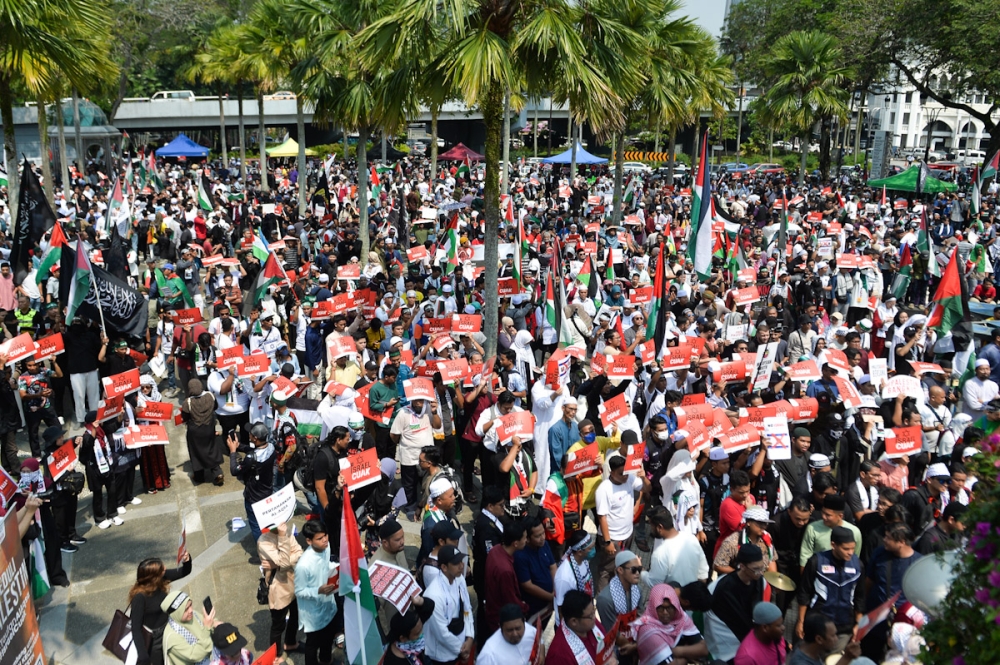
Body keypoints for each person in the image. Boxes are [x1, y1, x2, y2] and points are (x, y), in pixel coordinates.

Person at [861, 523, 922, 660]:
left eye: (888, 538)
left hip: (902, 627)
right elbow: (868, 583)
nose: (884, 540)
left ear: (901, 542)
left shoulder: (918, 563)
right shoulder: (879, 554)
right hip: (876, 622)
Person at [797, 526, 864, 649]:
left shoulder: (858, 565)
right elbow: (804, 593)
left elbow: (860, 596)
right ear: (833, 545)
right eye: (846, 549)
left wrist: (858, 623)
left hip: (844, 626)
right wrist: (801, 621)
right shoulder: (816, 561)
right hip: (817, 624)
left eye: (853, 548)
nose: (850, 552)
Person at [704, 544, 770, 661]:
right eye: (756, 569)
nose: (760, 573)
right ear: (742, 566)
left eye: (762, 567)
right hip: (726, 639)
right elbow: (738, 621)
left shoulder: (758, 581)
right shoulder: (725, 588)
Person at [594, 454, 650, 590]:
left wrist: (643, 477)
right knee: (607, 570)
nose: (625, 476)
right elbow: (602, 517)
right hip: (613, 539)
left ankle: (618, 590)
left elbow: (647, 489)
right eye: (621, 473)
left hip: (628, 535)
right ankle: (603, 599)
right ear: (612, 472)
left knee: (621, 566)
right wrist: (608, 542)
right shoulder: (604, 489)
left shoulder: (630, 478)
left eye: (626, 472)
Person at [128, 554, 193, 665]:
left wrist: (187, 560)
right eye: (162, 569)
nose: (165, 569)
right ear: (154, 576)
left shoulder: (161, 578)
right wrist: (143, 655)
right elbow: (136, 628)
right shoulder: (139, 597)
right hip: (154, 639)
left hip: (169, 629)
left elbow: (184, 571)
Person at [257, 521, 303, 664]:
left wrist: (275, 564)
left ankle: (290, 642)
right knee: (278, 625)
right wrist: (283, 537)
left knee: (296, 615)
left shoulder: (287, 531)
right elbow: (285, 563)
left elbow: (300, 552)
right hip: (278, 589)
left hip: (293, 583)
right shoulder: (263, 542)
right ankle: (275, 655)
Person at [294, 520, 339, 665]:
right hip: (312, 612)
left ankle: (326, 660)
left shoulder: (326, 547)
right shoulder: (303, 565)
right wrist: (317, 590)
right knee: (312, 644)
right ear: (308, 541)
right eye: (320, 538)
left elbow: (326, 566)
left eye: (325, 536)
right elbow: (299, 591)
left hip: (328, 603)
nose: (325, 540)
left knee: (328, 637)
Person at [423, 545, 475, 665]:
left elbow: (467, 609)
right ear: (444, 567)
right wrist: (461, 650)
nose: (461, 566)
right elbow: (441, 633)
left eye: (461, 561)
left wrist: (470, 636)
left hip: (462, 642)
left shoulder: (459, 579)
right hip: (442, 655)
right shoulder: (433, 595)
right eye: (456, 563)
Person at [632, 583, 708, 665]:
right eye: (660, 608)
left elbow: (703, 649)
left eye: (669, 607)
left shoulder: (680, 617)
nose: (665, 612)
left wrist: (675, 651)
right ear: (653, 607)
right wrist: (689, 654)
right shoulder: (648, 630)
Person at [227, 423, 276, 543]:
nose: (249, 434)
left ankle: (263, 551)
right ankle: (273, 542)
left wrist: (233, 452)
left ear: (255, 438)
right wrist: (239, 446)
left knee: (255, 525)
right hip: (267, 492)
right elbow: (253, 450)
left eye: (251, 433)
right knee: (268, 522)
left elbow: (234, 470)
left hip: (253, 496)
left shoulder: (250, 458)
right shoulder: (271, 447)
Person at [644, 506, 709, 587]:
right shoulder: (691, 538)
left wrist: (642, 572)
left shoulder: (660, 553)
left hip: (673, 598)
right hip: (693, 595)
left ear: (659, 527)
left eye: (651, 526)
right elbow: (703, 573)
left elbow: (654, 584)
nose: (651, 529)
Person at [484, 521, 529, 634]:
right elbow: (510, 599)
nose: (526, 541)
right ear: (515, 543)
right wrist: (525, 607)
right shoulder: (505, 570)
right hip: (499, 618)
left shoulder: (495, 550)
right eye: (524, 538)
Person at [545, 590, 612, 665]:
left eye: (593, 611)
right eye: (590, 615)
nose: (594, 617)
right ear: (574, 621)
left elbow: (607, 645)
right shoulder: (559, 655)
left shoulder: (590, 623)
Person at [179, 379, 224, 486]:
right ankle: (217, 473)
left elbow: (185, 417)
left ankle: (199, 476)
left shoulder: (188, 402)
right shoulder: (210, 396)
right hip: (209, 427)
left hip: (195, 431)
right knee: (212, 448)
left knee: (196, 452)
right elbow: (216, 407)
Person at [514, 516, 558, 620]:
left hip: (550, 602)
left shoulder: (544, 544)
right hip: (534, 607)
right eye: (538, 536)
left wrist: (555, 590)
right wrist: (551, 597)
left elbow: (552, 566)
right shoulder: (520, 556)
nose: (543, 537)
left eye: (543, 533)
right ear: (527, 539)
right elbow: (527, 585)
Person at [799, 495, 862, 568]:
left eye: (828, 515)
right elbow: (805, 558)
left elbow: (855, 557)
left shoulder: (854, 532)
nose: (823, 517)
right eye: (823, 513)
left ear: (840, 516)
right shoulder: (812, 528)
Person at [160, 590, 219, 665]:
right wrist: (207, 628)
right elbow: (196, 655)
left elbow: (208, 623)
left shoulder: (192, 615)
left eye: (190, 605)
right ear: (176, 613)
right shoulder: (172, 637)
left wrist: (216, 624)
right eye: (186, 609)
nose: (191, 610)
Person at [788, 613, 861, 665]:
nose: (836, 639)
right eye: (833, 636)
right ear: (819, 639)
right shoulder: (800, 662)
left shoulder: (808, 648)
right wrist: (846, 658)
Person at [383, 600, 437, 665]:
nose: (422, 634)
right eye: (417, 634)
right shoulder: (393, 662)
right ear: (402, 638)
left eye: (421, 629)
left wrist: (419, 600)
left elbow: (429, 607)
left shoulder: (413, 625)